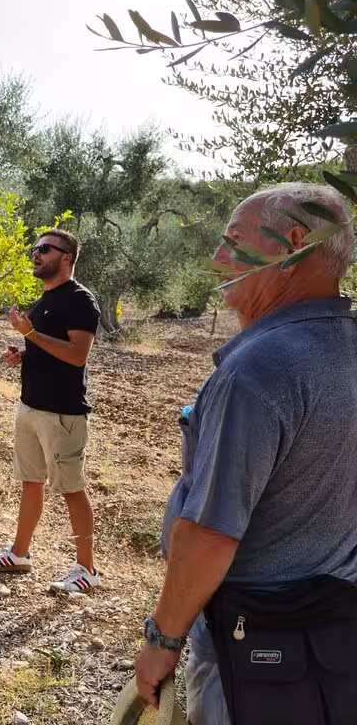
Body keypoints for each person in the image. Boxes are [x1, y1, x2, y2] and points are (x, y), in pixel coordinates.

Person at [134, 183, 357, 724]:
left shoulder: (256, 373)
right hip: (331, 635)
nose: (218, 258)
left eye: (235, 240)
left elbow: (209, 535)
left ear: (294, 245)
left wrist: (164, 638)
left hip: (252, 643)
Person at [0, 229, 102, 594]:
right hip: (30, 406)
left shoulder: (81, 301)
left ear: (66, 257)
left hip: (62, 413)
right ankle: (19, 554)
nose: (36, 254)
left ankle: (87, 569)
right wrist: (25, 354)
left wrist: (30, 336)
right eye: (35, 248)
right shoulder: (44, 300)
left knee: (71, 489)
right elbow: (52, 350)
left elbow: (78, 355)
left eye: (44, 249)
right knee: (31, 482)